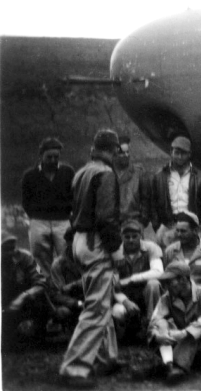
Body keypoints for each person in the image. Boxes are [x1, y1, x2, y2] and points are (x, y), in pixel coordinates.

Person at [58, 129, 122, 388]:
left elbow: (73, 213)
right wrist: (116, 249)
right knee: (96, 307)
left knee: (100, 300)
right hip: (96, 241)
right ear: (113, 150)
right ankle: (73, 367)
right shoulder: (105, 173)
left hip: (79, 240)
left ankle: (106, 357)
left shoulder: (82, 172)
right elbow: (106, 218)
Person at [146, 262, 201, 384]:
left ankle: (177, 367)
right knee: (161, 324)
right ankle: (168, 364)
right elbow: (155, 320)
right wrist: (157, 335)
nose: (166, 285)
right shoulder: (167, 297)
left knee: (196, 331)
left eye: (170, 281)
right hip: (178, 344)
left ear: (183, 279)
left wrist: (184, 333)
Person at [21, 136, 75, 276]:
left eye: (56, 157)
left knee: (67, 256)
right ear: (41, 156)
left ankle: (65, 287)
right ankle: (44, 285)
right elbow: (25, 201)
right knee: (39, 259)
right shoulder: (29, 176)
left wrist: (68, 213)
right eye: (49, 157)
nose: (52, 160)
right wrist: (36, 216)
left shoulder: (68, 172)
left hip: (62, 222)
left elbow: (74, 196)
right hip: (39, 222)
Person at [150, 136, 201, 248]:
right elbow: (153, 205)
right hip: (167, 226)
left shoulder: (199, 176)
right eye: (176, 152)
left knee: (191, 260)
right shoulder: (160, 176)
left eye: (183, 153)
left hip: (192, 226)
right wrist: (157, 226)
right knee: (169, 260)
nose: (179, 156)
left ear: (189, 154)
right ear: (171, 152)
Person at [111, 219, 164, 341]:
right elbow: (113, 284)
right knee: (118, 313)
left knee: (154, 284)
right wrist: (125, 302)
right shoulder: (115, 253)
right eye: (127, 236)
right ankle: (129, 333)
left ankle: (153, 327)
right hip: (125, 295)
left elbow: (158, 271)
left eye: (134, 236)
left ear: (140, 236)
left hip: (146, 294)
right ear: (121, 236)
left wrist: (131, 279)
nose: (131, 240)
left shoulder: (151, 247)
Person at [2, 232, 49, 348]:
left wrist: (24, 296)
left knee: (41, 297)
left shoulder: (27, 257)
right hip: (5, 302)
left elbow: (41, 280)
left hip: (25, 300)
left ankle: (38, 335)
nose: (10, 252)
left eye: (12, 248)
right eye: (5, 249)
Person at [163, 211, 201, 288]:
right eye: (177, 230)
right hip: (176, 294)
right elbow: (166, 278)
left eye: (183, 231)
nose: (179, 234)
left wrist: (195, 290)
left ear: (196, 230)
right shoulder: (170, 251)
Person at [114, 135, 151, 229]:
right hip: (112, 225)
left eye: (128, 152)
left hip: (134, 222)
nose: (126, 155)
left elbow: (146, 199)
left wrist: (143, 222)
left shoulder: (138, 172)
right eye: (122, 153)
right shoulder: (108, 172)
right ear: (114, 154)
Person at [49, 242, 85, 332]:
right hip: (70, 302)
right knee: (63, 312)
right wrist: (76, 303)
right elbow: (56, 294)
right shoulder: (58, 264)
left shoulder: (87, 258)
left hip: (88, 298)